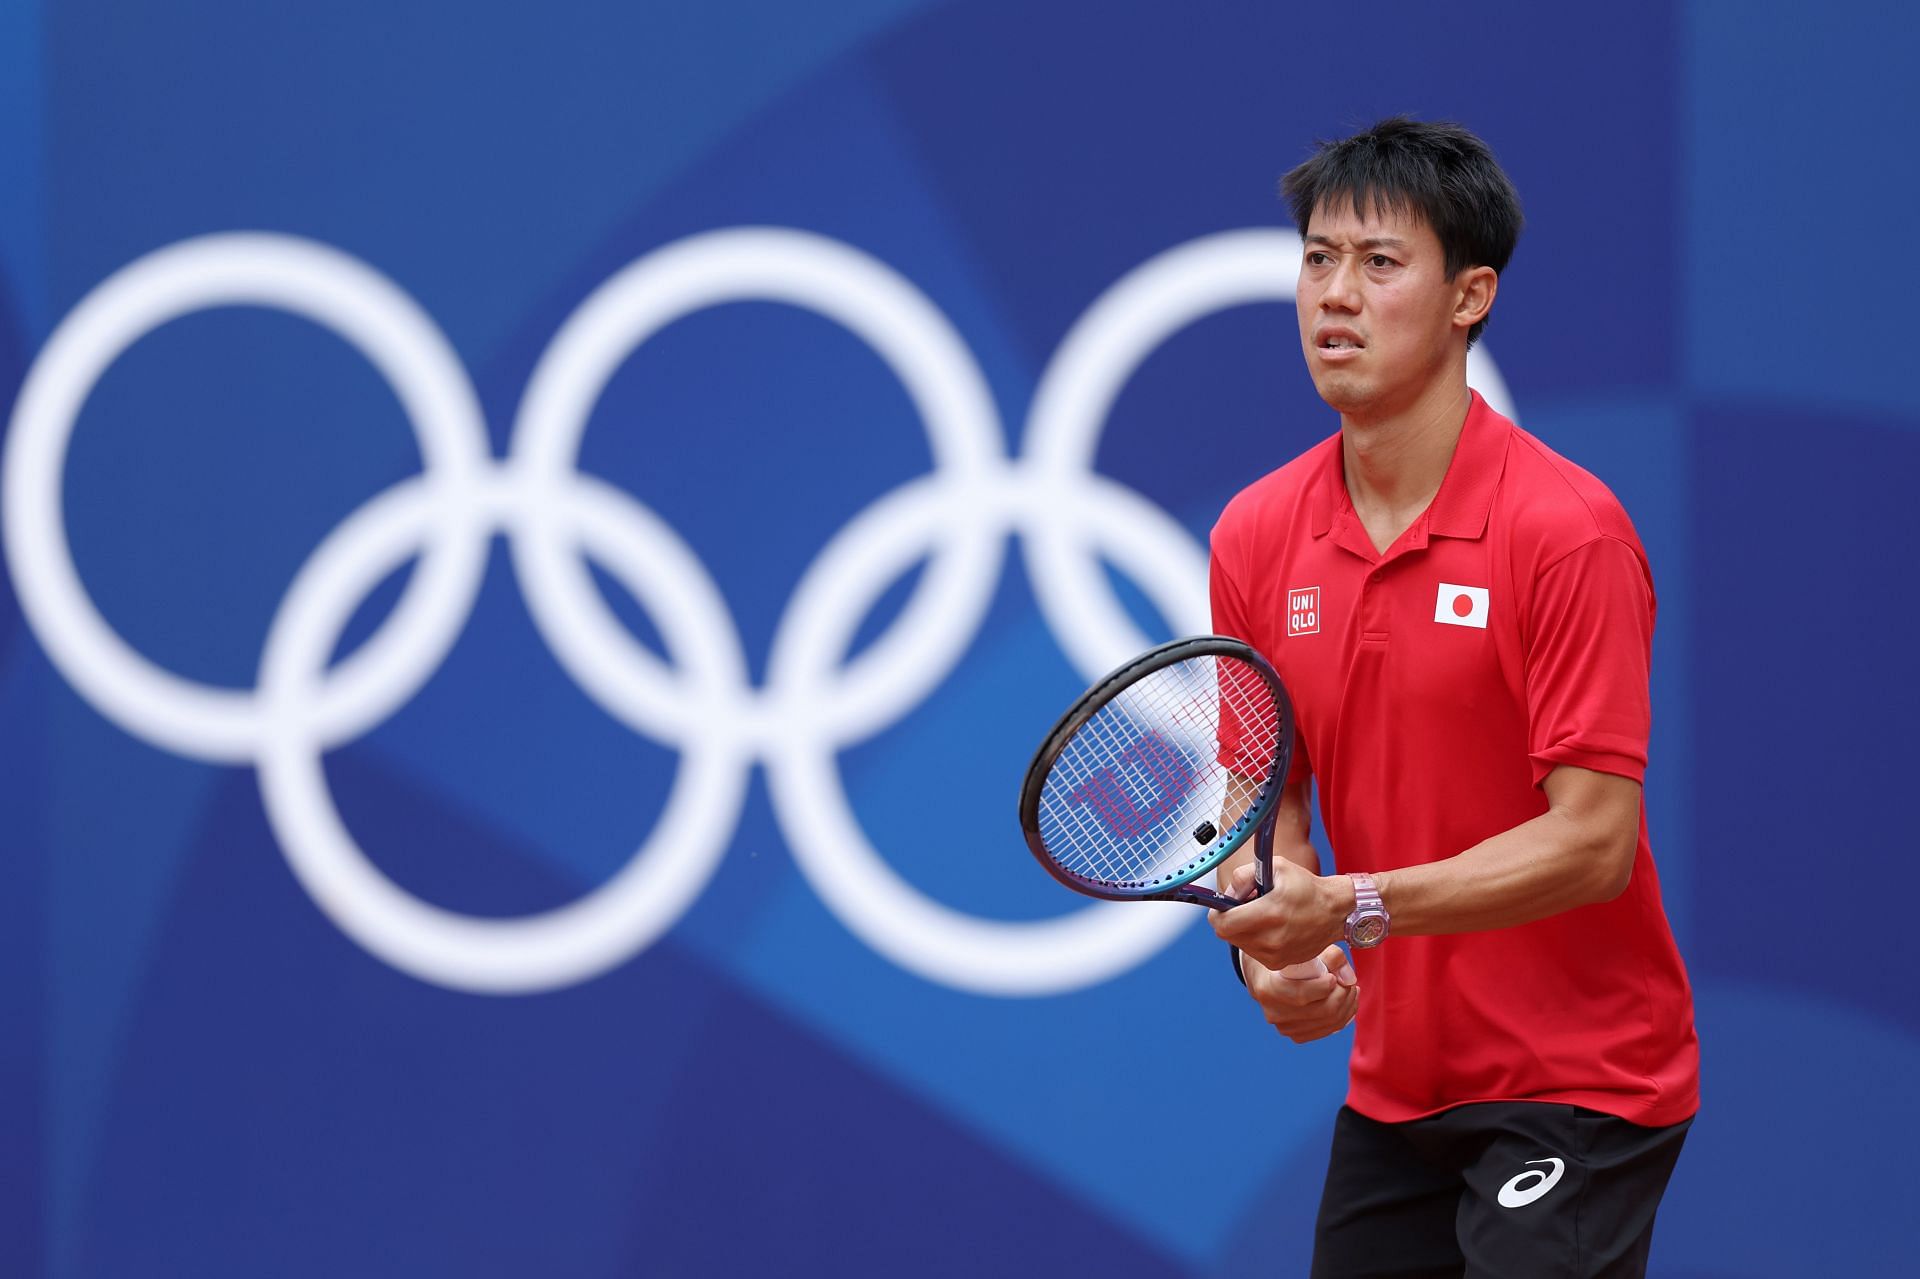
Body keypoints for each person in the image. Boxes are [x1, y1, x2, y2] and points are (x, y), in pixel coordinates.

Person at [1206, 117, 1699, 1278]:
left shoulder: (1564, 532)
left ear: (1471, 295)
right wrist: (1269, 953)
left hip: (1584, 1083)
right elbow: (1263, 810)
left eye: (1381, 264)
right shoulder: (1255, 534)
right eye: (1318, 258)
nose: (1337, 295)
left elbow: (1593, 846)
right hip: (1398, 1088)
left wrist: (1354, 906)